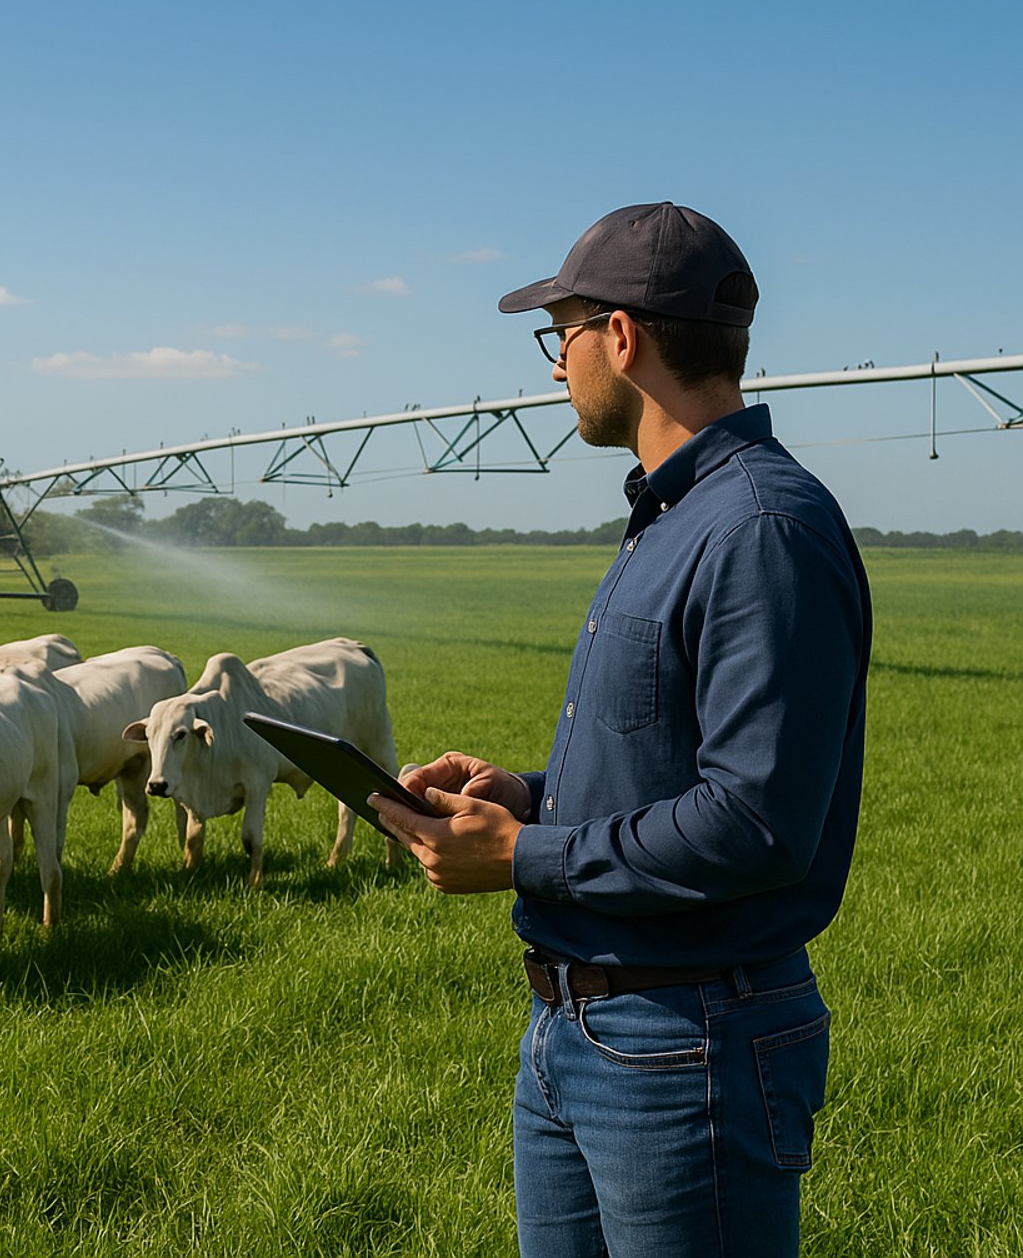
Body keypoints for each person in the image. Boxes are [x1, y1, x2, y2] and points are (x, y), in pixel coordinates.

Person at [368, 202, 871, 1257]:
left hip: (688, 1041)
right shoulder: (674, 519)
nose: (559, 366)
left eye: (565, 334)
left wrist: (523, 856)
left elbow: (756, 821)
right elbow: (671, 767)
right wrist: (528, 795)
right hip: (576, 1031)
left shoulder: (760, 529)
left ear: (624, 337)